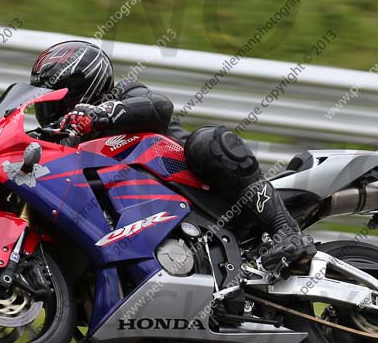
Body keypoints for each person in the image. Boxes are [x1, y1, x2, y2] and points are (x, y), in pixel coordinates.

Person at [30, 40, 315, 270]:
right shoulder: (68, 142)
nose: (48, 106)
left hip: (204, 193)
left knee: (207, 140)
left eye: (55, 95)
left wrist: (100, 114)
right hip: (148, 227)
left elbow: (160, 106)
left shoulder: (123, 94)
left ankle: (286, 231)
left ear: (80, 88)